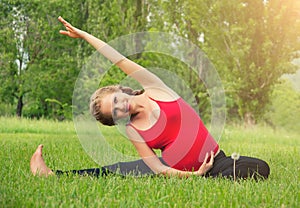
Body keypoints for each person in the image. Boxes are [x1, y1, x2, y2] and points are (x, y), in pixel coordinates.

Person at [30, 16, 270, 180]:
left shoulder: (155, 88)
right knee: (119, 170)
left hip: (217, 161)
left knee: (260, 168)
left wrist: (85, 36)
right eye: (114, 113)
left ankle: (214, 178)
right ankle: (50, 175)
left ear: (119, 91)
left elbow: (118, 59)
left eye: (115, 101)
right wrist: (194, 176)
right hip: (180, 169)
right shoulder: (135, 130)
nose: (119, 107)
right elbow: (156, 167)